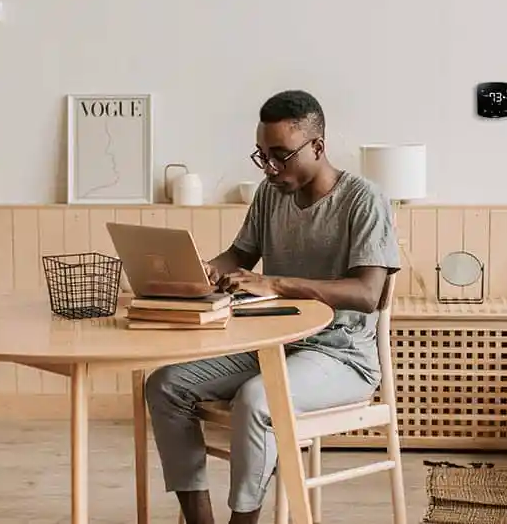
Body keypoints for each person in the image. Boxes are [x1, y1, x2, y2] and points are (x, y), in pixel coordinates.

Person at [144, 89, 401, 524]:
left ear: (317, 146)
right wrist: (201, 271)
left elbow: (366, 294)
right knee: (165, 384)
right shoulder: (270, 194)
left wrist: (276, 283)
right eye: (262, 156)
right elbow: (238, 256)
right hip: (271, 346)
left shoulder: (364, 199)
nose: (270, 167)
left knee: (256, 400)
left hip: (341, 356)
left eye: (281, 156)